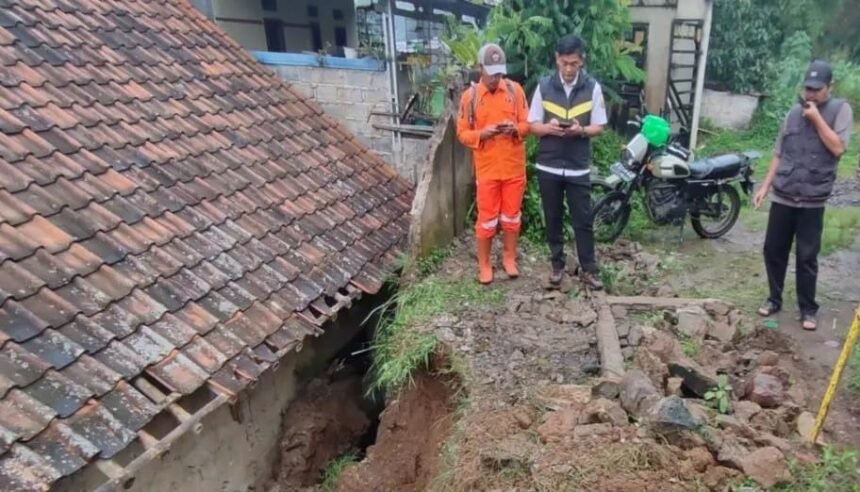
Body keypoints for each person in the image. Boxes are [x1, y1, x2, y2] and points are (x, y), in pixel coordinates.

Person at [753, 59, 854, 330]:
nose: (810, 94)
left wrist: (817, 118)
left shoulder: (840, 110)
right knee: (773, 250)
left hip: (812, 199)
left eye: (816, 89)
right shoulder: (793, 113)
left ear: (829, 87)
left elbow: (838, 148)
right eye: (808, 88)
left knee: (806, 257)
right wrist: (764, 186)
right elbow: (779, 153)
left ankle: (808, 309)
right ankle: (774, 299)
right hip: (784, 195)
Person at [528, 34, 607, 290]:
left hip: (577, 167)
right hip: (548, 165)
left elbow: (599, 126)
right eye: (564, 63)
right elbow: (532, 125)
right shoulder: (544, 86)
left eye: (574, 63)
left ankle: (589, 269)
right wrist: (549, 128)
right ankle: (557, 266)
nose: (569, 69)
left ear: (582, 60)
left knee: (582, 220)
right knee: (553, 218)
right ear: (557, 60)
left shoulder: (592, 88)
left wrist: (580, 130)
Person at [456, 43, 530, 284]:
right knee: (486, 220)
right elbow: (462, 133)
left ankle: (509, 258)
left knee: (512, 217)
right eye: (491, 73)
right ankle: (485, 264)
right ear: (480, 68)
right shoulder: (470, 98)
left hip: (513, 168)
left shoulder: (515, 91)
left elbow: (527, 125)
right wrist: (482, 134)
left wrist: (515, 129)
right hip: (487, 170)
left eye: (499, 73)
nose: (496, 78)